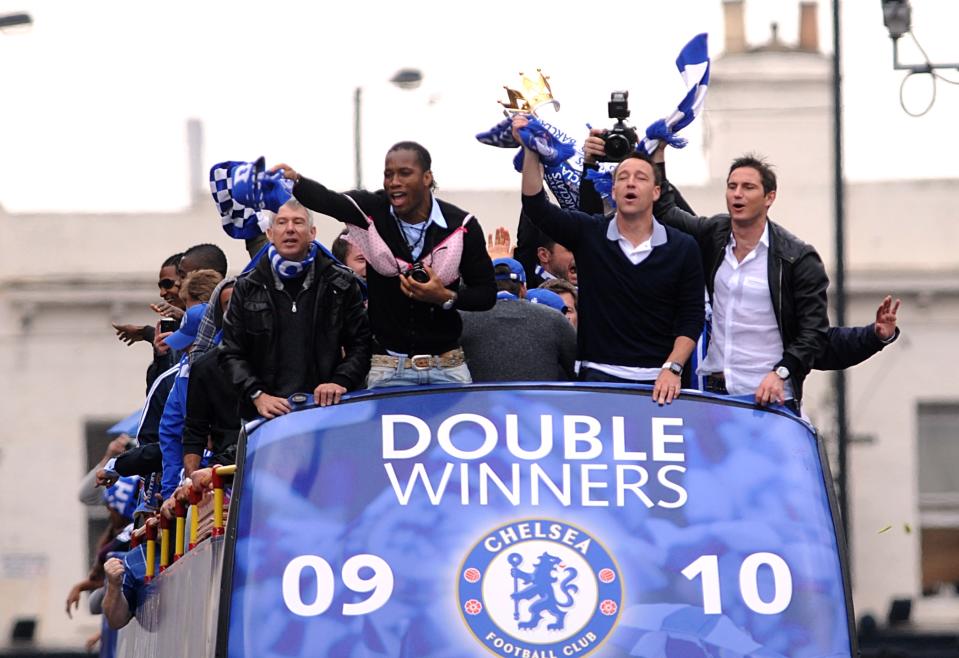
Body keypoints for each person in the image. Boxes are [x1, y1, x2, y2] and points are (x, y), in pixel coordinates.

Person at [269, 141, 495, 388]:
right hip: (389, 370)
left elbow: (486, 295)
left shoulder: (462, 225)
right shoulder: (371, 210)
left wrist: (444, 296)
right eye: (388, 175)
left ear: (427, 177)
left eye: (404, 173)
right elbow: (328, 201)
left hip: (448, 367)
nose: (394, 182)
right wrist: (296, 181)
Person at [514, 114, 704, 405]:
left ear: (656, 191)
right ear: (612, 190)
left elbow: (691, 319)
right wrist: (530, 151)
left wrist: (673, 367)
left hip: (661, 384)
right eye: (623, 178)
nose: (631, 183)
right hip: (598, 380)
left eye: (641, 178)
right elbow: (536, 206)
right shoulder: (590, 233)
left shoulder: (683, 246)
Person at [643, 144, 829, 410]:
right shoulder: (716, 233)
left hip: (770, 395)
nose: (737, 194)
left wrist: (782, 372)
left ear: (769, 197)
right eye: (732, 186)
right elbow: (666, 213)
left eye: (748, 187)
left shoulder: (797, 257)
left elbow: (814, 333)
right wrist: (658, 154)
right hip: (718, 393)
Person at [219, 199, 371, 419]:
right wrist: (257, 394)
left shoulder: (342, 283)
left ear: (312, 233)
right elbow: (230, 352)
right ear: (270, 233)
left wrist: (340, 382)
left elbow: (361, 344)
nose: (290, 229)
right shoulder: (246, 287)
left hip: (327, 409)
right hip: (265, 415)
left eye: (298, 222)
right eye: (282, 222)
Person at [459, 258, 576, 382]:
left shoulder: (461, 319)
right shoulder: (555, 319)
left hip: (478, 401)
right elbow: (576, 372)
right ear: (523, 290)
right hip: (540, 400)